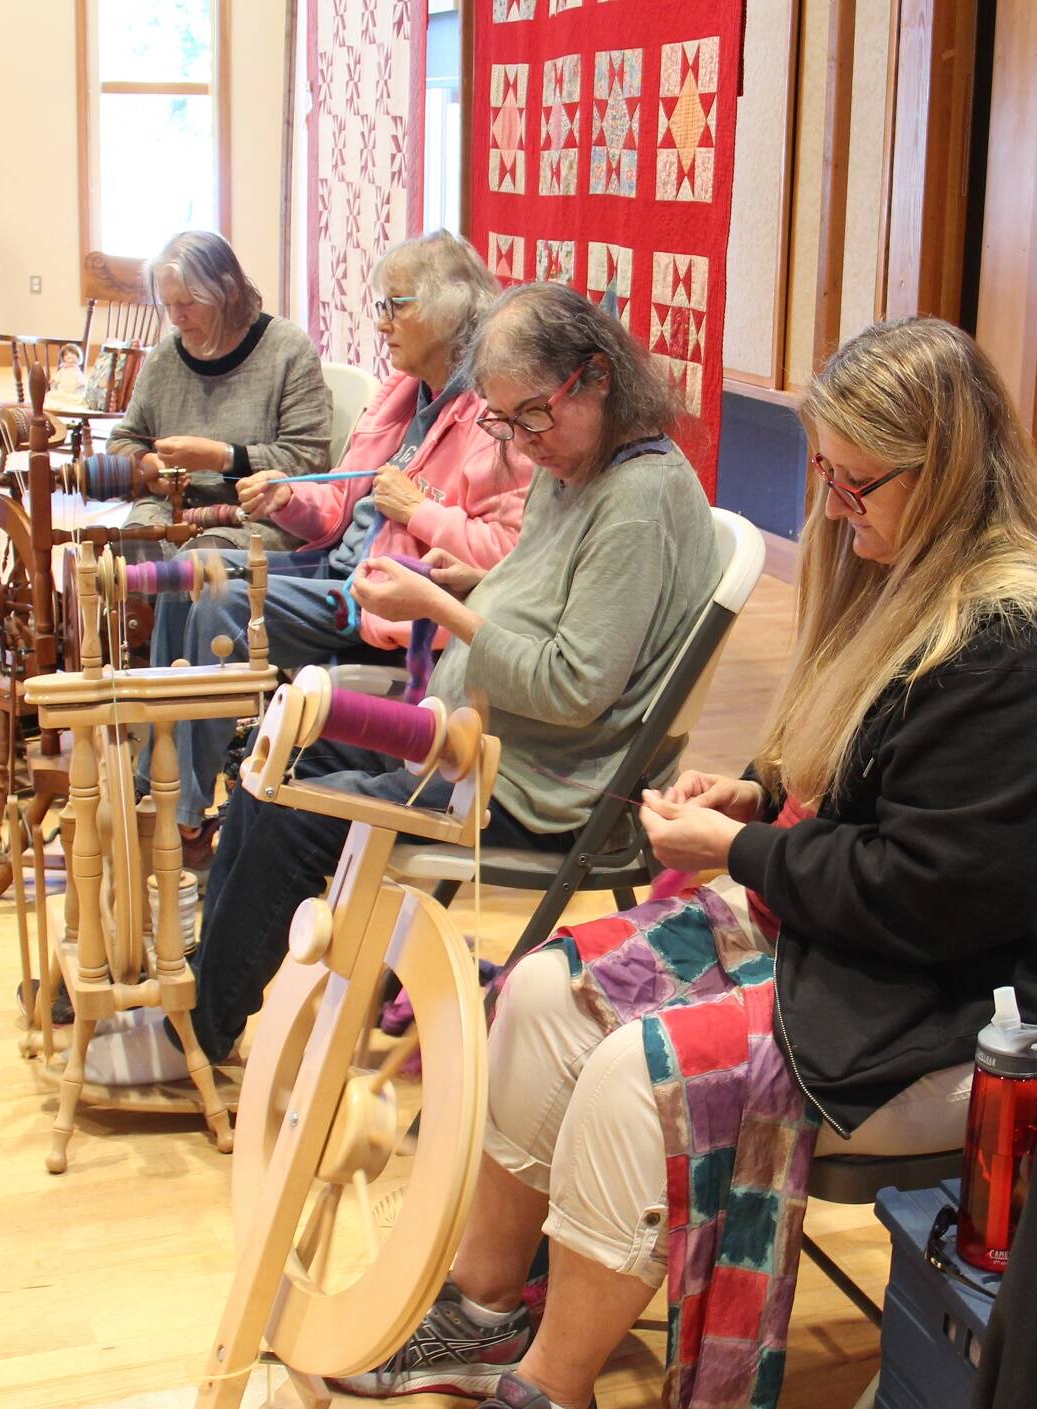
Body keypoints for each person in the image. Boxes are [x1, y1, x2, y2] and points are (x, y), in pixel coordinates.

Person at [332, 316, 1037, 1409]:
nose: (830, 506)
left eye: (855, 482)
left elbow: (936, 895)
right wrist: (764, 796)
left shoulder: (1028, 644)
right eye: (824, 471)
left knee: (639, 1078)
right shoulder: (929, 582)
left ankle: (551, 1382)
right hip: (876, 940)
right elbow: (893, 787)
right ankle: (486, 1309)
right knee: (539, 994)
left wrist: (741, 847)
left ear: (947, 471)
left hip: (977, 1003)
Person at [82, 281, 718, 1091]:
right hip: (483, 738)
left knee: (286, 809)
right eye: (504, 420)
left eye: (532, 415)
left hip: (536, 784)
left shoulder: (635, 499)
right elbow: (548, 606)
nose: (524, 444)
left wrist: (442, 606)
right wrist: (468, 585)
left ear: (595, 377)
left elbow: (571, 685)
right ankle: (200, 997)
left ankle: (197, 1036)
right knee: (280, 748)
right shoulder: (583, 464)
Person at [135, 230, 534, 852]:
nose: (380, 324)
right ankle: (154, 784)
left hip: (376, 601)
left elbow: (504, 555)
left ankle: (178, 813)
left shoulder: (494, 414)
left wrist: (421, 510)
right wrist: (289, 498)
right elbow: (336, 516)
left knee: (220, 599)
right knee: (194, 570)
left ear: (449, 309)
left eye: (393, 306)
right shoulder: (405, 397)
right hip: (335, 569)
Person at [107, 231, 330, 552]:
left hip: (258, 516)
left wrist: (222, 458)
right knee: (131, 552)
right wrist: (147, 465)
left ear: (228, 292)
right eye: (168, 304)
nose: (176, 317)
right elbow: (122, 441)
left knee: (202, 567)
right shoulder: (164, 359)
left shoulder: (287, 350)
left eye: (187, 303)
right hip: (173, 509)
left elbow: (308, 461)